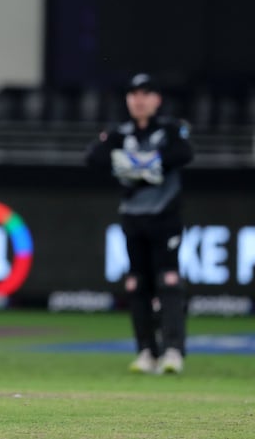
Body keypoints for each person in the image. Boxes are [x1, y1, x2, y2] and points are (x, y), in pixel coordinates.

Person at [85, 73, 193, 374]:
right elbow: (94, 156)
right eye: (134, 94)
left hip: (165, 218)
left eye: (146, 93)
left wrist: (138, 164)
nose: (139, 99)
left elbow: (184, 153)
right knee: (136, 284)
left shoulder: (170, 130)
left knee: (168, 280)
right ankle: (147, 352)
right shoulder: (120, 133)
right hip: (133, 219)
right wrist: (137, 163)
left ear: (157, 99)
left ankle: (173, 351)